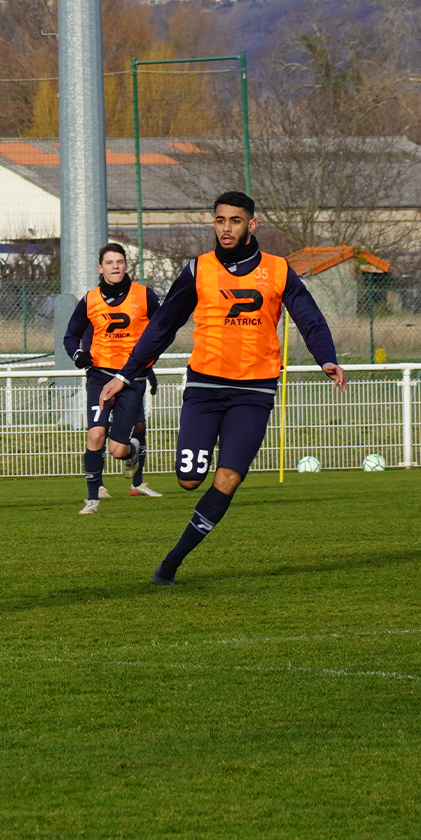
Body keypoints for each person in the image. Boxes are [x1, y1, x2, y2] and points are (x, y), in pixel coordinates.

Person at [99, 191, 345, 585]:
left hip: (255, 391)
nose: (226, 228)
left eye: (235, 220)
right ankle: (150, 460)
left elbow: (310, 318)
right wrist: (125, 374)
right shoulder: (198, 269)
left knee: (228, 478)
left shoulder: (278, 270)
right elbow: (162, 326)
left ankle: (171, 563)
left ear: (252, 224)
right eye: (220, 220)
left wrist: (326, 358)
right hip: (205, 387)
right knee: (188, 479)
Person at [63, 242, 163, 513]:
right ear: (100, 268)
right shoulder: (90, 300)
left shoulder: (145, 295)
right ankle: (92, 499)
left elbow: (163, 330)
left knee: (118, 450)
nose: (115, 266)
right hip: (100, 376)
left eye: (119, 262)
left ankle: (132, 455)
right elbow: (71, 336)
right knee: (96, 434)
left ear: (126, 265)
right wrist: (77, 355)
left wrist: (148, 362)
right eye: (109, 262)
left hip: (131, 378)